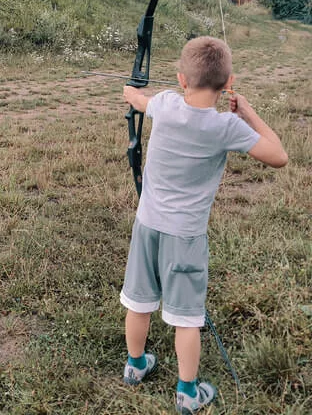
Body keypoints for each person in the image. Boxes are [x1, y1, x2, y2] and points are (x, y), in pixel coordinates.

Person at [120, 36, 287, 414]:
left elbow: (140, 102)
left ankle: (135, 365)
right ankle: (187, 393)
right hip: (186, 236)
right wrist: (247, 111)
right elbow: (278, 155)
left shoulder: (163, 103)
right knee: (186, 316)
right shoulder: (226, 127)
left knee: (140, 300)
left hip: (147, 225)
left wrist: (131, 91)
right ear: (228, 83)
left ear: (181, 79)